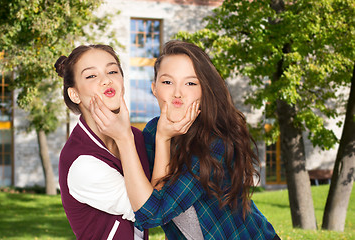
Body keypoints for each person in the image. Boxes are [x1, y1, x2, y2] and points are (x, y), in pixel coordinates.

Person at [91, 40, 279, 239]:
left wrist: (148, 138)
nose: (177, 93)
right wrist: (162, 138)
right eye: (167, 82)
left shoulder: (216, 141)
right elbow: (148, 200)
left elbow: (153, 213)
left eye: (190, 83)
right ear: (154, 89)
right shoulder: (152, 131)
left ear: (204, 89)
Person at [55, 44, 150, 240]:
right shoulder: (80, 162)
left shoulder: (135, 137)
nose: (106, 80)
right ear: (75, 94)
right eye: (91, 76)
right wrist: (163, 136)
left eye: (112, 71)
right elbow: (149, 211)